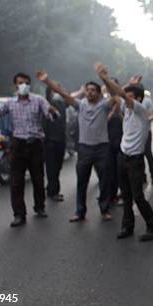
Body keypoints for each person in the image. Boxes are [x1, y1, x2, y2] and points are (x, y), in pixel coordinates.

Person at [94, 64, 153, 241]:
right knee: (126, 195)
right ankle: (128, 226)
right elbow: (115, 95)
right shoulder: (126, 109)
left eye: (130, 97)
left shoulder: (140, 110)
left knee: (138, 197)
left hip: (134, 160)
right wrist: (104, 79)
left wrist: (107, 78)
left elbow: (121, 94)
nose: (126, 100)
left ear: (137, 99)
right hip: (122, 157)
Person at [0, 72, 58, 227]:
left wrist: (52, 111)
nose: (23, 85)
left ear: (29, 85)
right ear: (15, 85)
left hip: (35, 143)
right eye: (20, 83)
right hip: (18, 144)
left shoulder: (38, 100)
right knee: (16, 181)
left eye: (25, 83)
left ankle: (39, 207)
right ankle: (19, 214)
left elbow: (53, 116)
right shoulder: (10, 103)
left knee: (38, 178)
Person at [37, 71, 114, 222]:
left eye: (93, 90)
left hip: (101, 148)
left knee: (104, 181)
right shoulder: (80, 105)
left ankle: (104, 209)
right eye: (88, 90)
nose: (90, 92)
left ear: (99, 93)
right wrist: (47, 81)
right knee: (82, 182)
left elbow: (116, 96)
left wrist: (106, 79)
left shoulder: (104, 106)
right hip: (84, 148)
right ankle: (80, 212)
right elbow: (61, 92)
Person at [44, 87, 67, 202]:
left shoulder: (62, 104)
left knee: (57, 167)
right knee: (52, 168)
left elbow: (71, 98)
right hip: (50, 141)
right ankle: (53, 191)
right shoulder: (46, 104)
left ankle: (50, 188)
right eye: (55, 91)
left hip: (60, 140)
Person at [106, 80, 123, 205]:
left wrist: (119, 110)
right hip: (107, 139)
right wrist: (113, 110)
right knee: (109, 170)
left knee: (120, 169)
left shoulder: (123, 102)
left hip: (120, 138)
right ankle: (110, 195)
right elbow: (103, 121)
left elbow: (126, 120)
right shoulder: (104, 103)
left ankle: (121, 193)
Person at [142, 90, 153, 185]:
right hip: (134, 134)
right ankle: (142, 176)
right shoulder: (130, 101)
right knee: (137, 156)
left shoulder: (147, 101)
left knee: (147, 153)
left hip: (145, 132)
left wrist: (145, 120)